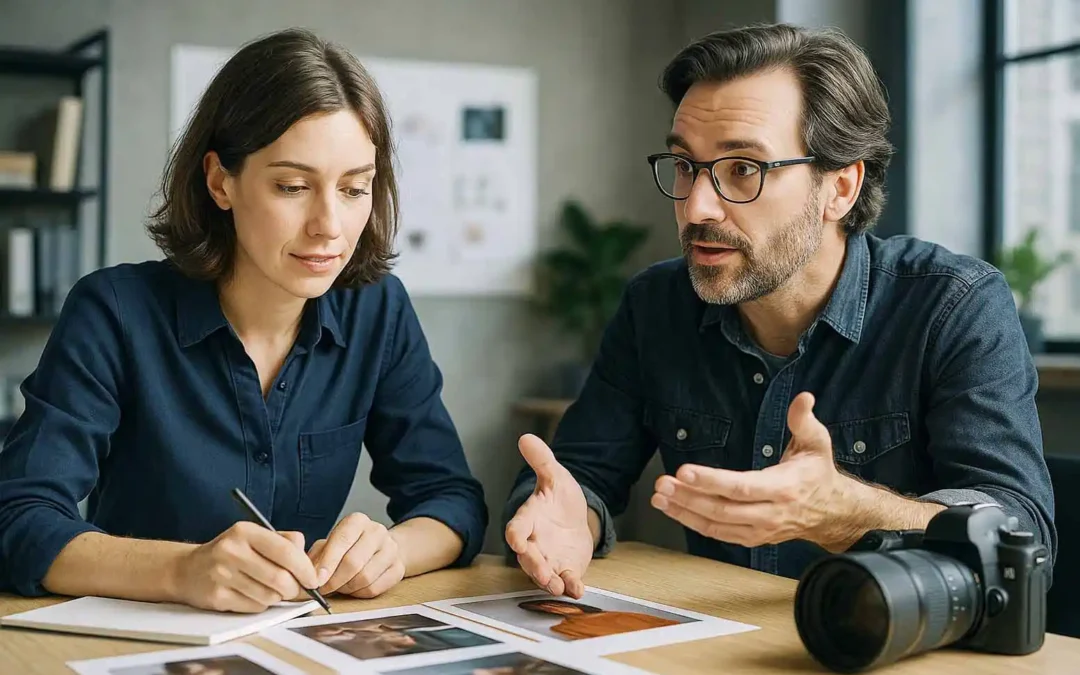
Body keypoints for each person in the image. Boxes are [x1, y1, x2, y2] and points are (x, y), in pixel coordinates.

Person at [502, 23, 1057, 598]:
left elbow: (1022, 537)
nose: (696, 207)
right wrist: (565, 521)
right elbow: (576, 477)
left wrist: (846, 512)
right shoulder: (657, 305)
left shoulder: (954, 305)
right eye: (686, 165)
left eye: (744, 168)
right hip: (722, 644)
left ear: (840, 188)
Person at [0, 28, 487, 611]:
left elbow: (451, 500)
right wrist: (183, 570)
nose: (329, 224)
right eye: (292, 186)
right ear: (220, 181)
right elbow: (18, 519)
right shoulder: (115, 311)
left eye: (355, 188)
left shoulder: (378, 310)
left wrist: (391, 550)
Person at [516, 599, 679, 640]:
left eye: (551, 604)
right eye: (545, 609)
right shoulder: (562, 629)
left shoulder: (617, 616)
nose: (552, 609)